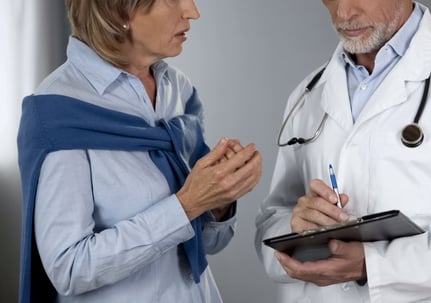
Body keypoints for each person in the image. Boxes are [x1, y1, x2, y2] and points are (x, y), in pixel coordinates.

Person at [255, 1, 431, 302]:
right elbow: (272, 220)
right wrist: (297, 226)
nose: (344, 14)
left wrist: (372, 265)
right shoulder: (308, 94)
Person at [17, 0, 262, 302]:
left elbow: (208, 242)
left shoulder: (177, 88)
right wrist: (187, 204)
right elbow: (69, 269)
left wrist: (219, 198)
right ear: (117, 11)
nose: (192, 11)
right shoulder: (58, 111)